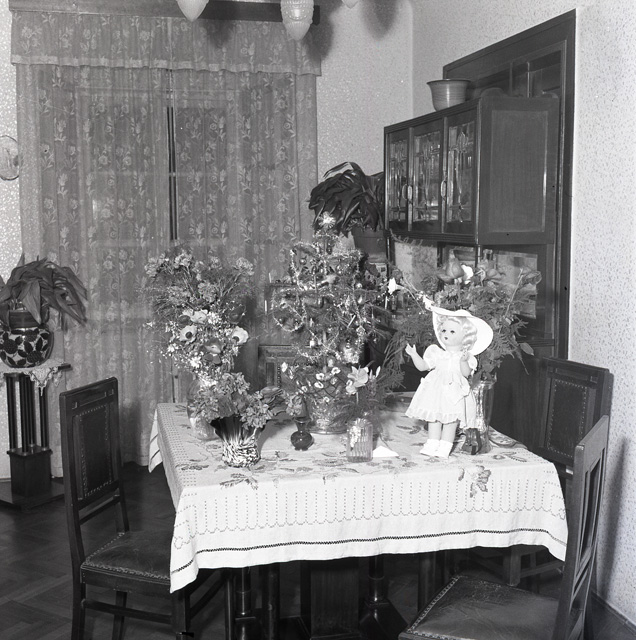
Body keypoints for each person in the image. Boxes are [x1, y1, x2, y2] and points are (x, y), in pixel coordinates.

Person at [405, 305, 493, 458]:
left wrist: (463, 361)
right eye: (444, 330)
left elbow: (466, 373)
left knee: (451, 420)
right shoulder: (437, 353)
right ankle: (432, 443)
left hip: (454, 393)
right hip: (436, 391)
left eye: (452, 332)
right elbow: (423, 366)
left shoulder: (465, 357)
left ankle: (445, 445)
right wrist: (414, 355)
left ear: (465, 336)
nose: (446, 334)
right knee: (434, 418)